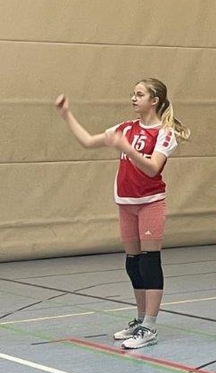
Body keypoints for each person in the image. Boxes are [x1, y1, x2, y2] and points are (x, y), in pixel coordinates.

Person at [54, 78, 189, 349]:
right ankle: (140, 320)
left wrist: (127, 148)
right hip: (126, 203)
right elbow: (88, 141)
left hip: (150, 202)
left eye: (140, 94)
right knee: (133, 263)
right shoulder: (125, 127)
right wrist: (66, 114)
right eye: (133, 94)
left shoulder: (165, 133)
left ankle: (150, 326)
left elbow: (153, 168)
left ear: (154, 101)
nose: (133, 98)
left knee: (150, 262)